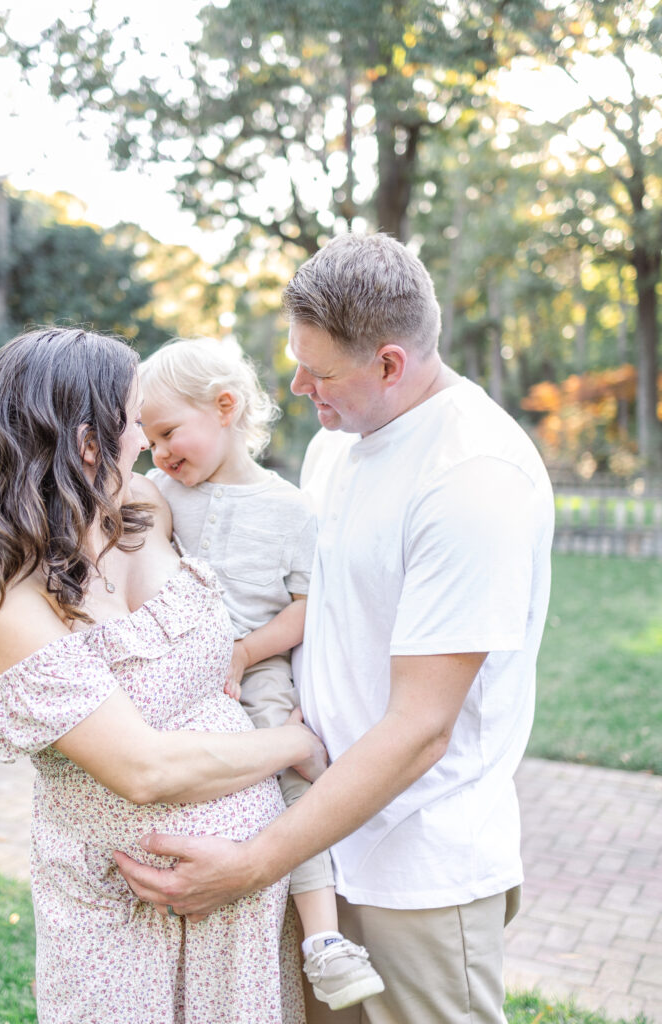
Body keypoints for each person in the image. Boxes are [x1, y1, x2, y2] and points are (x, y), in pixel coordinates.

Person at [113, 233, 555, 1024]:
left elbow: (422, 728)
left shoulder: (472, 479)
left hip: (415, 872)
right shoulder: (334, 448)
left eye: (318, 373)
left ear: (390, 363)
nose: (294, 385)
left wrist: (251, 864)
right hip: (319, 847)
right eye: (295, 359)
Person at [0, 326, 330, 1024]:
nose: (146, 440)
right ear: (86, 443)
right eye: (133, 422)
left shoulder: (142, 507)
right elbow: (141, 769)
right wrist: (294, 745)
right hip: (116, 914)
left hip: (247, 909)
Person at [138, 337, 384, 1012]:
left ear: (224, 408)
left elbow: (309, 606)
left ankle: (324, 941)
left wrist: (244, 653)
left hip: (257, 667)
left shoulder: (290, 509)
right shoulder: (156, 492)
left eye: (166, 433)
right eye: (148, 440)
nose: (158, 453)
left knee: (291, 777)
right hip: (172, 662)